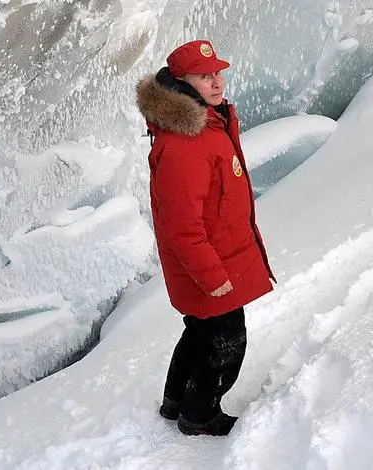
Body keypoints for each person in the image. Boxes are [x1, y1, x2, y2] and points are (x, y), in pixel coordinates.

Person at [135, 40, 276, 436]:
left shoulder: (206, 123)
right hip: (210, 270)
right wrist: (213, 278)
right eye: (204, 76)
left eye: (217, 73)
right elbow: (183, 228)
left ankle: (175, 401)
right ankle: (199, 416)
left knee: (199, 333)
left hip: (216, 260)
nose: (216, 83)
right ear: (181, 83)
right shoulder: (185, 145)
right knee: (226, 344)